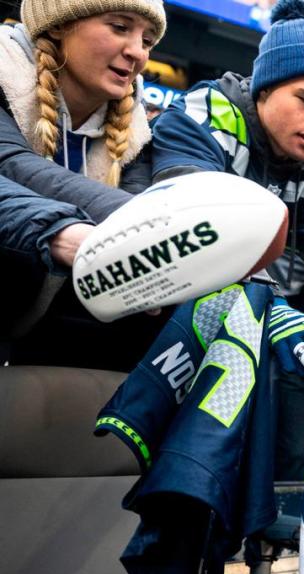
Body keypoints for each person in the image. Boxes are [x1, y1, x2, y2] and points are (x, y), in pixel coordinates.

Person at [149, 0, 304, 400]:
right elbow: (193, 224)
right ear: (265, 88)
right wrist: (274, 307)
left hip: (239, 324)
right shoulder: (206, 113)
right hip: (155, 313)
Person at [0, 0, 168, 366]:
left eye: (148, 40)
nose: (138, 52)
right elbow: (11, 164)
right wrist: (170, 223)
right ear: (59, 24)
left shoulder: (138, 135)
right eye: (120, 27)